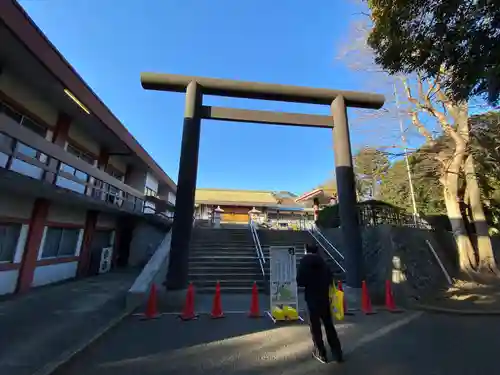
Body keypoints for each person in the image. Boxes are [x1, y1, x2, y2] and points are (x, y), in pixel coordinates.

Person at [297, 243, 344, 364]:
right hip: (324, 298)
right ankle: (337, 353)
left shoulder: (304, 261)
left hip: (311, 298)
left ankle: (321, 353)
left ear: (306, 250)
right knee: (329, 325)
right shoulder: (323, 262)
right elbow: (330, 278)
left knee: (315, 327)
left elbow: (300, 281)